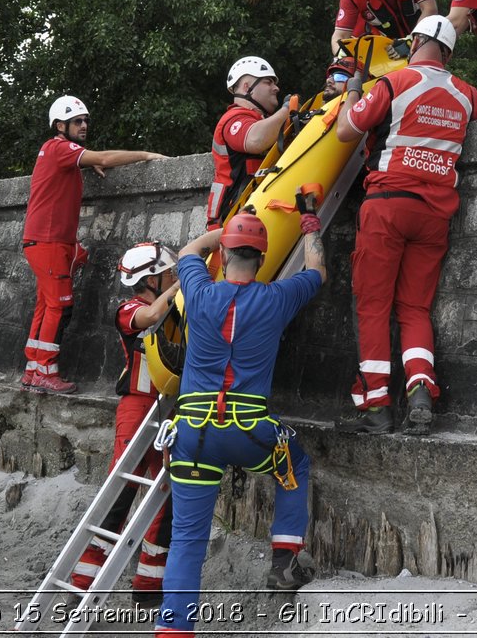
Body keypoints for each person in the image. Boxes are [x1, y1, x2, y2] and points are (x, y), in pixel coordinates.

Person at [156, 207, 327, 637]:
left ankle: (173, 630)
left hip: (193, 434)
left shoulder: (197, 290)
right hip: (251, 431)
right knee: (296, 464)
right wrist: (309, 224)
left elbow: (190, 249)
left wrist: (224, 230)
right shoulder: (278, 297)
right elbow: (317, 269)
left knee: (187, 540)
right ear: (263, 255)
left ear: (227, 253)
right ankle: (284, 560)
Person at [333, 15, 477, 436]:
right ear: (450, 52)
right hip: (435, 213)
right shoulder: (467, 94)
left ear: (417, 40)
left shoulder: (395, 83)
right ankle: (420, 389)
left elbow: (347, 132)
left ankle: (377, 406)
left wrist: (351, 91)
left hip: (387, 204)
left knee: (373, 305)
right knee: (415, 308)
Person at [23, 95, 167, 394]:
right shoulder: (61, 147)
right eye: (78, 121)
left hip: (48, 240)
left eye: (86, 120)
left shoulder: (58, 151)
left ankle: (33, 369)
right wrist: (144, 154)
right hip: (49, 241)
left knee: (46, 306)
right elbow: (101, 157)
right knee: (59, 308)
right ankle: (44, 373)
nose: (84, 125)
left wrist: (86, 166)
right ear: (60, 125)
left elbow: (86, 162)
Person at [69, 242, 181, 605]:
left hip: (169, 408)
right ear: (151, 279)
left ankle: (149, 586)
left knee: (168, 500)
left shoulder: (174, 306)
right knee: (119, 498)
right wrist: (185, 283)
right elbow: (148, 320)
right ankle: (82, 584)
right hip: (137, 407)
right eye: (169, 273)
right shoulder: (129, 308)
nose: (175, 277)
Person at [205, 58, 291, 230]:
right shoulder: (232, 120)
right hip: (231, 223)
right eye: (268, 82)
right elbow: (255, 140)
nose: (276, 88)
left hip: (251, 213)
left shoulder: (267, 123)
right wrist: (287, 110)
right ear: (246, 87)